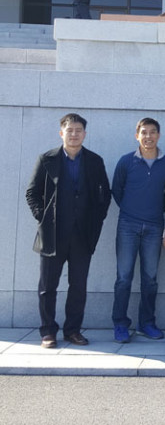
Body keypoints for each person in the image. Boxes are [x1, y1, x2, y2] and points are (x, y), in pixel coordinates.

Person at [25, 113, 111, 348]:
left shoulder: (94, 161)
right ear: (61, 133)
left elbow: (105, 194)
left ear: (85, 134)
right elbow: (32, 193)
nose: (74, 134)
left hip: (83, 234)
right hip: (53, 234)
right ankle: (48, 331)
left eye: (78, 130)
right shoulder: (47, 159)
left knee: (78, 286)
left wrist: (97, 220)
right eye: (69, 130)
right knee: (47, 287)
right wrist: (43, 218)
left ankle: (73, 330)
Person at [111, 117, 165, 342]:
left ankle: (146, 323)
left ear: (159, 135)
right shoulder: (126, 161)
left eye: (153, 132)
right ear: (137, 135)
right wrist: (131, 210)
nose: (148, 136)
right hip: (127, 225)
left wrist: (153, 212)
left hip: (154, 226)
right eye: (144, 132)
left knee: (150, 278)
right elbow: (117, 190)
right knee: (123, 278)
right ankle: (120, 324)